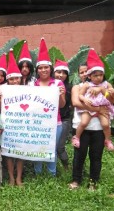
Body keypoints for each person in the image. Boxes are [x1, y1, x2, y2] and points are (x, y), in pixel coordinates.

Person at [69, 62, 113, 190]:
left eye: (86, 71)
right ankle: (76, 180)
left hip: (99, 128)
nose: (84, 74)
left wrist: (103, 90)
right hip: (82, 126)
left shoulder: (104, 85)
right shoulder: (78, 87)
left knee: (96, 156)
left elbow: (110, 100)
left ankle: (93, 182)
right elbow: (76, 103)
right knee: (79, 156)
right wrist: (99, 109)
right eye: (81, 72)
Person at [72, 49, 114, 151]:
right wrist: (85, 99)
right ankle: (77, 137)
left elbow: (110, 98)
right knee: (83, 123)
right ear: (90, 76)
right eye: (95, 75)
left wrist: (105, 91)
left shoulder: (106, 84)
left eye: (100, 75)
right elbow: (79, 97)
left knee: (105, 124)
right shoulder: (86, 85)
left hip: (102, 110)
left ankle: (108, 140)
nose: (98, 78)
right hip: (89, 109)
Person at [33, 38, 66, 177]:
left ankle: (52, 173)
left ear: (50, 68)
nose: (43, 70)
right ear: (37, 70)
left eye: (46, 67)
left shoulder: (57, 83)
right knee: (38, 147)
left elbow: (62, 105)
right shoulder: (33, 84)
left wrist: (61, 95)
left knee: (52, 147)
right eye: (40, 68)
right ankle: (38, 172)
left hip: (55, 122)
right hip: (38, 121)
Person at [3, 50, 25, 186]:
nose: (15, 81)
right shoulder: (2, 90)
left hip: (23, 125)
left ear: (20, 78)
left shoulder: (27, 89)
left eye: (17, 78)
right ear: (8, 80)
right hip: (8, 125)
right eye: (12, 79)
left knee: (21, 152)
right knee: (9, 152)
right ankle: (11, 177)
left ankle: (19, 178)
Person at [54, 60, 72, 170]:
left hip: (64, 119)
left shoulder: (69, 87)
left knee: (60, 146)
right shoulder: (49, 85)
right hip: (50, 120)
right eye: (58, 72)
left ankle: (66, 167)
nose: (61, 75)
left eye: (64, 73)